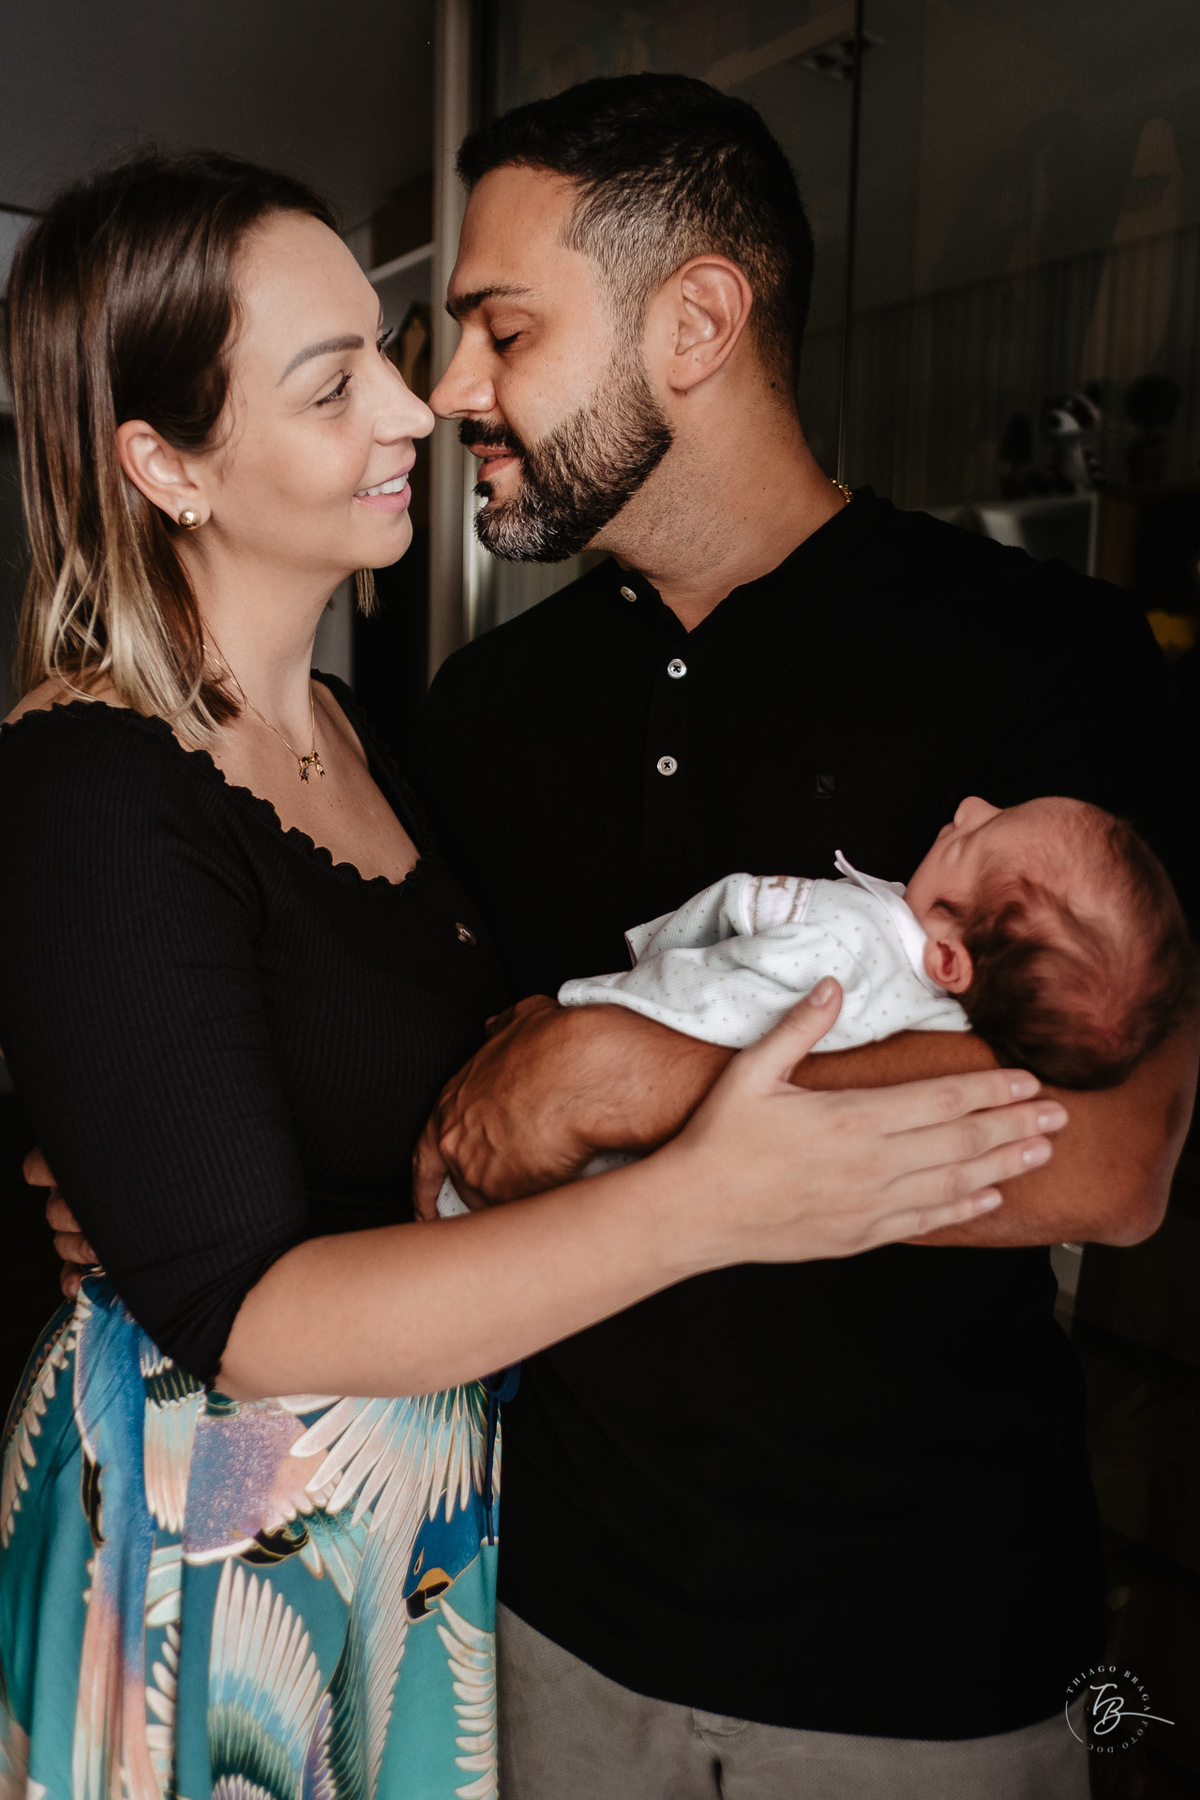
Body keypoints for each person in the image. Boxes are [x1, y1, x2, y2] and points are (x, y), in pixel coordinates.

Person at [0, 151, 1055, 1798]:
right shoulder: (94, 779)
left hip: (429, 1543)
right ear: (167, 463)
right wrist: (706, 1196)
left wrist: (168, 1175)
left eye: (408, 344)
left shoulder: (372, 737)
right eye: (334, 377)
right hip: (233, 1563)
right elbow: (252, 1315)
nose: (421, 408)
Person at [408, 74, 1200, 1798]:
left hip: (931, 1671)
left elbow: (1114, 1156)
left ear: (696, 321)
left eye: (498, 327)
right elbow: (437, 1079)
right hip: (547, 1626)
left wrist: (639, 1076)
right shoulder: (483, 710)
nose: (452, 387)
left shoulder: (1044, 655)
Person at [555, 796, 1199, 1091]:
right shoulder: (941, 1029)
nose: (970, 806)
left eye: (976, 838)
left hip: (603, 1051)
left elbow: (728, 907)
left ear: (950, 958)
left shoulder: (843, 923)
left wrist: (617, 975)